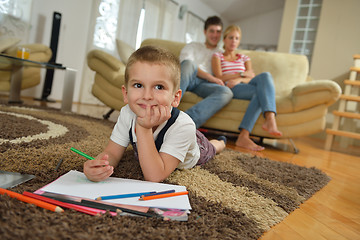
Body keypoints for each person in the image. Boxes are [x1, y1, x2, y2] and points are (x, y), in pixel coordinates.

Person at [83, 46, 226, 183]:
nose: (147, 96)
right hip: (173, 137)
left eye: (159, 87)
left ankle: (220, 143)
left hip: (194, 145)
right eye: (138, 85)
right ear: (125, 94)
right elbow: (112, 153)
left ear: (175, 98)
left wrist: (143, 128)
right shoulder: (127, 113)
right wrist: (99, 165)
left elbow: (155, 176)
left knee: (212, 148)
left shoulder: (184, 126)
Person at [212, 25, 282, 151]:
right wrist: (242, 75)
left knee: (265, 76)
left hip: (243, 84)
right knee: (261, 93)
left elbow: (251, 76)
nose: (234, 41)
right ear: (224, 39)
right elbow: (219, 77)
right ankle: (245, 135)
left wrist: (240, 78)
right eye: (231, 37)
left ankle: (269, 118)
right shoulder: (218, 56)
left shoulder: (244, 58)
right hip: (232, 87)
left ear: (239, 41)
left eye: (237, 38)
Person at [179, 16, 233, 128]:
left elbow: (225, 74)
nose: (215, 35)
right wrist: (211, 77)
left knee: (226, 92)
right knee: (189, 63)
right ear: (205, 32)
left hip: (204, 85)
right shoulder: (193, 46)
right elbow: (185, 65)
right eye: (212, 31)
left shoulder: (222, 54)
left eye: (218, 32)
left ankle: (185, 123)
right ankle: (166, 110)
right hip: (187, 77)